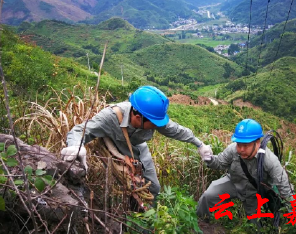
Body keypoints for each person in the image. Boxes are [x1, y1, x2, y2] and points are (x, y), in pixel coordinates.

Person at [61, 85, 213, 199]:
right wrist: (76, 146)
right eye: (153, 124)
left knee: (153, 188)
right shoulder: (110, 117)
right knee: (122, 193)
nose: (157, 127)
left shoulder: (152, 118)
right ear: (138, 118)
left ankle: (148, 225)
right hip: (116, 154)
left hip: (140, 152)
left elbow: (177, 130)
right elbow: (80, 130)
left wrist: (199, 144)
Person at [196, 118, 293, 224]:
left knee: (256, 227)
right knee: (208, 196)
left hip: (254, 193)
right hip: (234, 182)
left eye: (246, 145)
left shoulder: (270, 161)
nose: (241, 149)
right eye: (239, 144)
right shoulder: (233, 149)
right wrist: (209, 158)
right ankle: (199, 223)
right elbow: (220, 162)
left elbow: (286, 191)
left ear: (257, 143)